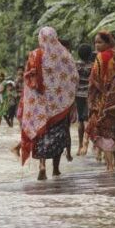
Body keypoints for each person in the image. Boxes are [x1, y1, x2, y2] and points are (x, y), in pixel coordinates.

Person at [20, 27, 78, 180]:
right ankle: (56, 169)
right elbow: (74, 77)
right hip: (60, 104)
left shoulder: (34, 55)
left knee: (41, 135)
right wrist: (68, 99)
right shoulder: (65, 55)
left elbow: (27, 78)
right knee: (59, 136)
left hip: (41, 105)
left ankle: (42, 165)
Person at [85, 30, 115, 172]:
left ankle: (109, 167)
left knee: (103, 132)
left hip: (102, 102)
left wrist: (92, 102)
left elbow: (94, 81)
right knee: (114, 132)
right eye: (95, 42)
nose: (97, 45)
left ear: (108, 43)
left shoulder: (100, 58)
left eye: (100, 42)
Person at [75, 44, 94, 156]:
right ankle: (87, 143)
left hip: (78, 95)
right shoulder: (93, 66)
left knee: (80, 120)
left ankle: (80, 146)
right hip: (89, 95)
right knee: (88, 119)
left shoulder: (75, 65)